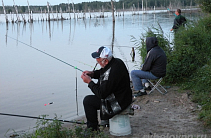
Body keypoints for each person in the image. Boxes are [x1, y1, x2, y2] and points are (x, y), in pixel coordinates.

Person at [81, 46, 132, 131]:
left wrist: (89, 82)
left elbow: (101, 94)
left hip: (119, 102)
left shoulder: (112, 72)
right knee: (92, 97)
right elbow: (102, 72)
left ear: (106, 61)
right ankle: (101, 122)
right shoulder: (116, 62)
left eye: (98, 61)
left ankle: (92, 129)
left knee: (88, 101)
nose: (97, 63)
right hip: (124, 96)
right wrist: (93, 74)